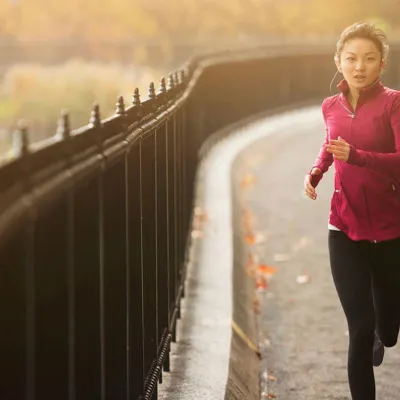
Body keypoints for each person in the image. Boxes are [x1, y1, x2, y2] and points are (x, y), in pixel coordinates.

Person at [304, 21, 400, 400]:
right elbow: (330, 145)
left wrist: (357, 157)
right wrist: (315, 172)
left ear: (381, 63)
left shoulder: (394, 102)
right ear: (338, 62)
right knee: (359, 327)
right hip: (343, 228)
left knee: (387, 330)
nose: (359, 66)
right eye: (351, 59)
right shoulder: (330, 106)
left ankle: (385, 329)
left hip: (391, 232)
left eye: (369, 59)